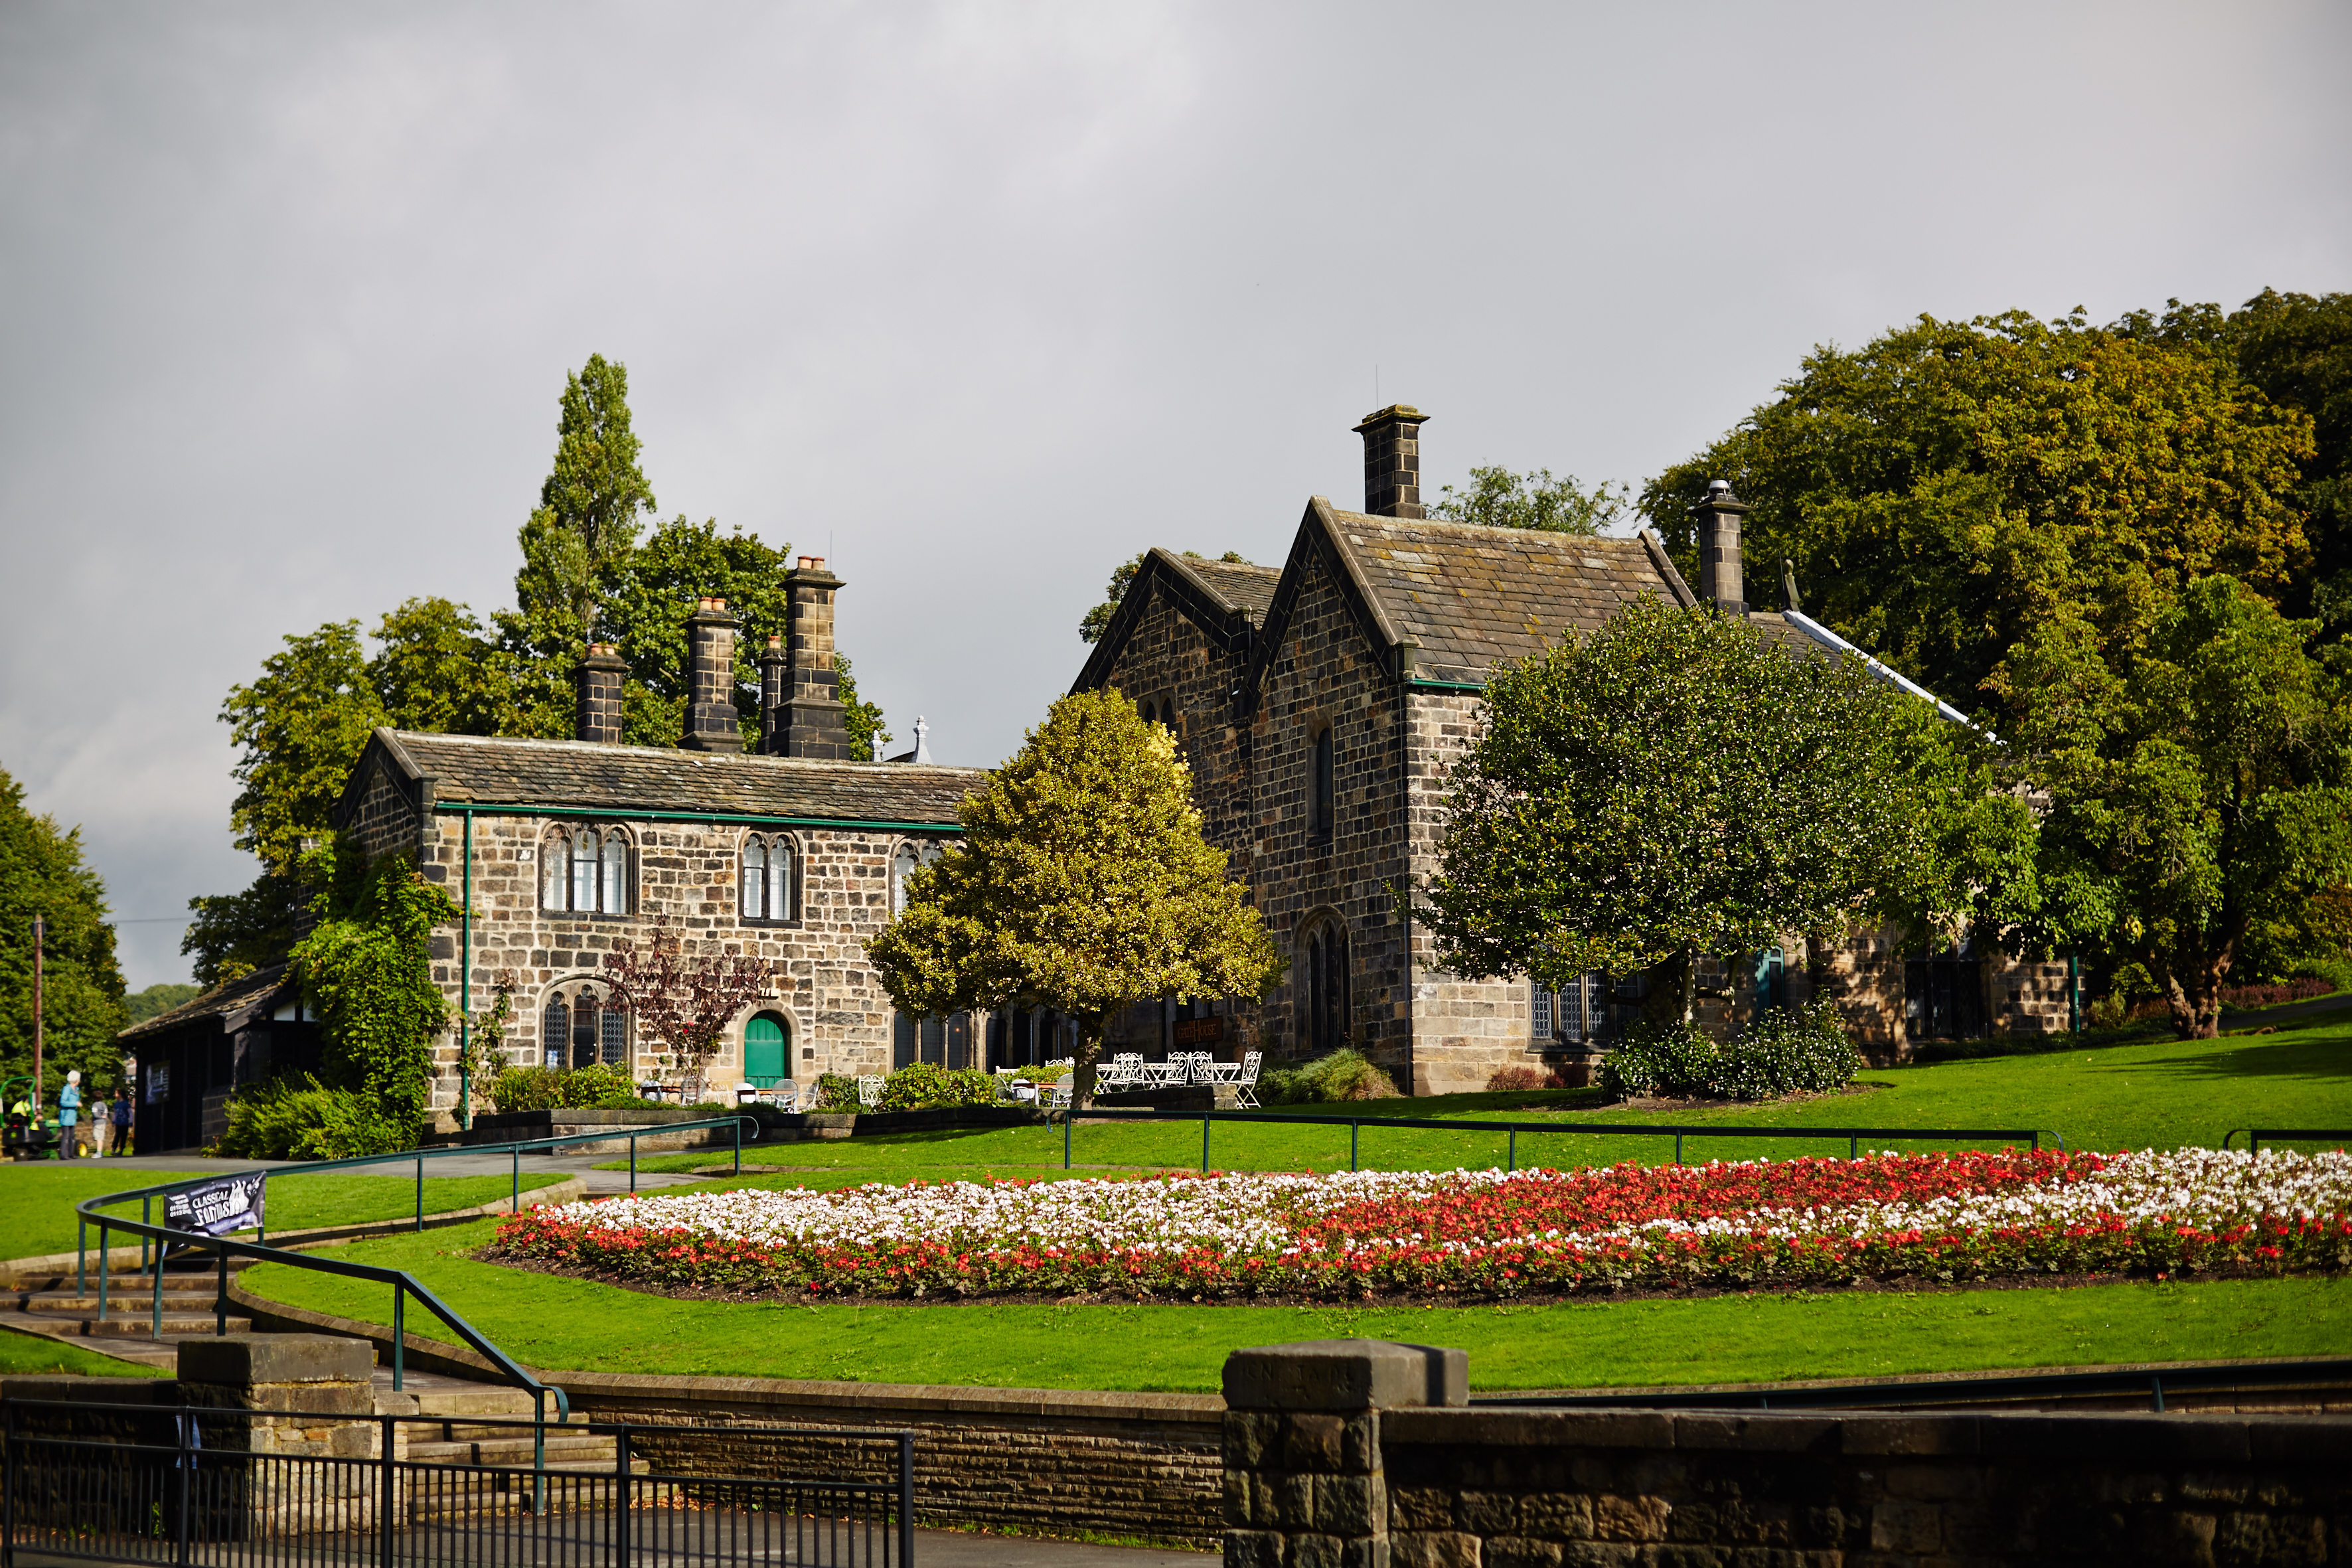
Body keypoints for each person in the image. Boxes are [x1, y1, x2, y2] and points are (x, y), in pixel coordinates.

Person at [58, 1070, 82, 1160]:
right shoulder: (66, 1089)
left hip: (72, 1116)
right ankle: (64, 1155)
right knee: (66, 1137)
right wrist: (75, 1103)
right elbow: (63, 1102)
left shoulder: (76, 1090)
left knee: (72, 1137)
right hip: (66, 1116)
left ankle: (71, 1154)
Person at [110, 1085, 133, 1156]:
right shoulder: (116, 1104)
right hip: (118, 1123)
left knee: (123, 1137)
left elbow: (130, 1113)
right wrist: (113, 1121)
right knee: (117, 1136)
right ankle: (114, 1149)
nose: (115, 1095)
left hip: (124, 1123)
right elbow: (115, 1113)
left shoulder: (125, 1104)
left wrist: (131, 1121)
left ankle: (121, 1150)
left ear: (119, 1094)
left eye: (116, 1093)